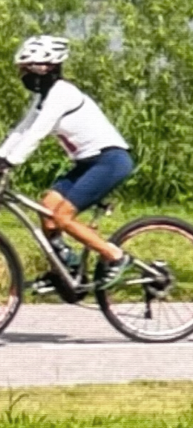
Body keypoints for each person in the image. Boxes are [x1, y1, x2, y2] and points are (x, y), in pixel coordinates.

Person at [0, 35, 132, 281]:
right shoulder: (43, 97)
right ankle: (66, 270)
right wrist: (1, 157)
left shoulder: (63, 94)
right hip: (86, 163)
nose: (22, 75)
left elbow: (37, 133)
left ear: (44, 69)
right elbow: (22, 129)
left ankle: (116, 256)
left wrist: (10, 162)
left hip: (109, 161)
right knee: (47, 208)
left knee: (62, 217)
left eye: (26, 69)